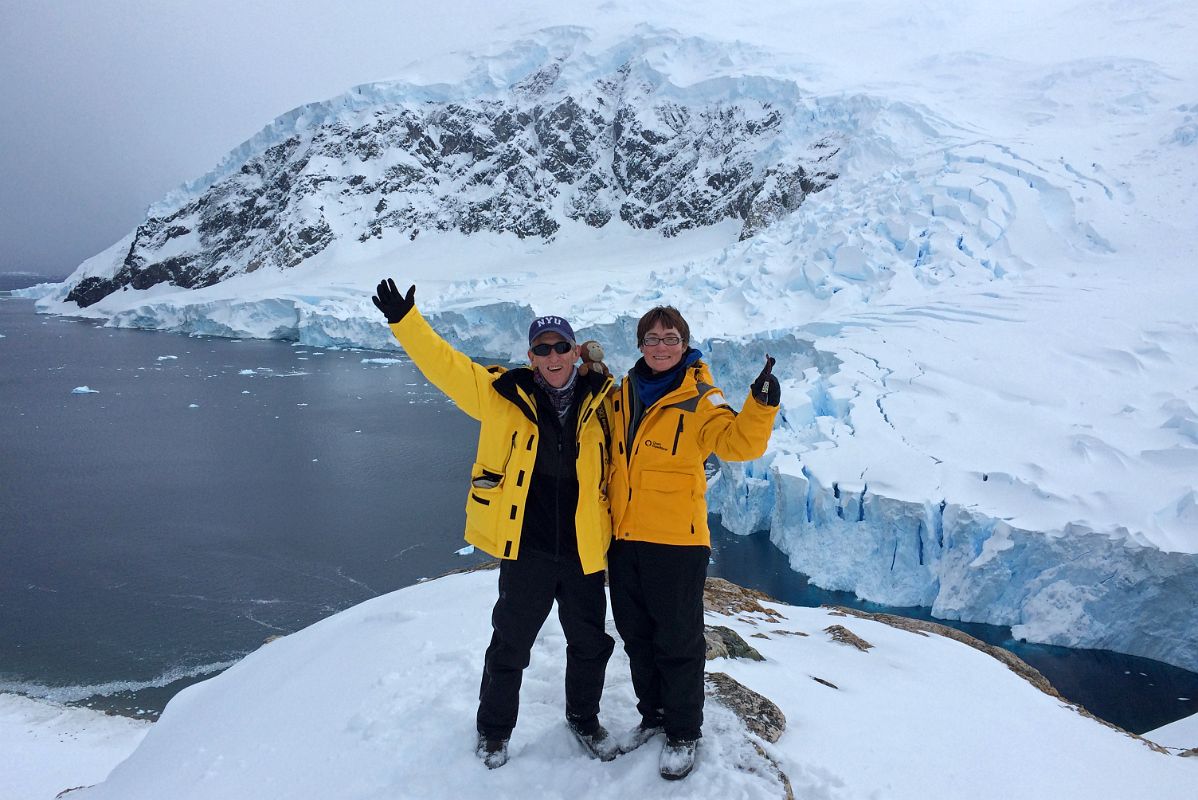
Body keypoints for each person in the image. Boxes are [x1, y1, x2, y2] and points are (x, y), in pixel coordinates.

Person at [371, 278, 620, 769]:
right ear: (530, 357)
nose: (552, 357)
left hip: (582, 550)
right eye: (541, 349)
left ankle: (584, 719)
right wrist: (406, 322)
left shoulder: (605, 400)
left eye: (560, 347)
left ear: (575, 352)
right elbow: (446, 367)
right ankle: (494, 730)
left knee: (590, 643)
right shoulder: (501, 395)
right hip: (527, 548)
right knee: (509, 645)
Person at [605, 305, 780, 781]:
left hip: (677, 545)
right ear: (640, 345)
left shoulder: (701, 397)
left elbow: (738, 444)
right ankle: (654, 716)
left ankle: (684, 732)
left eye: (670, 338)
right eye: (652, 339)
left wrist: (761, 406)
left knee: (678, 641)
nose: (661, 347)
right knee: (637, 636)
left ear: (685, 344)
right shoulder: (622, 394)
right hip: (624, 539)